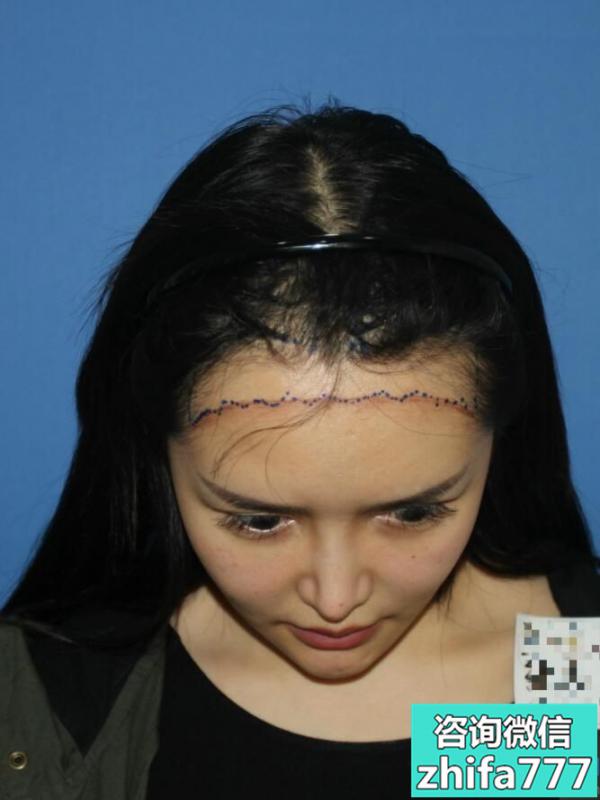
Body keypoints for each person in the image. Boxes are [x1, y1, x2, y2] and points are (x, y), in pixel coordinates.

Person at [1, 100, 598, 800]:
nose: (336, 599)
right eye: (259, 521)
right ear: (158, 453)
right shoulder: (59, 701)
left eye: (413, 513)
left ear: (500, 439)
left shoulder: (566, 660)